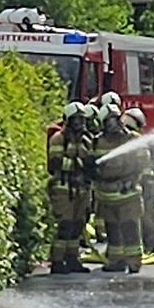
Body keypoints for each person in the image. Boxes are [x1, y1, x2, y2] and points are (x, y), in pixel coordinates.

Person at [93, 103, 144, 273]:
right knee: (112, 230)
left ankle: (134, 262)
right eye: (109, 121)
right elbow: (92, 165)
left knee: (130, 228)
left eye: (115, 120)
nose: (113, 125)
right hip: (106, 195)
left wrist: (132, 178)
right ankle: (116, 261)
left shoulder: (133, 139)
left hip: (127, 193)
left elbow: (143, 161)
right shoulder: (97, 142)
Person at [46, 102, 94, 273]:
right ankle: (57, 261)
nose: (80, 123)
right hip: (63, 188)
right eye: (76, 119)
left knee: (78, 225)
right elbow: (54, 163)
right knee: (65, 225)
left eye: (82, 119)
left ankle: (72, 259)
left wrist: (92, 166)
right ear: (68, 120)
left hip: (82, 189)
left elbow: (91, 160)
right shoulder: (58, 138)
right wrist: (79, 164)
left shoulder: (86, 140)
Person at [124, 106, 154, 254]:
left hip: (133, 183)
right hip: (144, 181)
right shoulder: (136, 140)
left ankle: (152, 241)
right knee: (150, 211)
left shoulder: (121, 139)